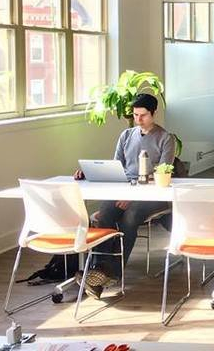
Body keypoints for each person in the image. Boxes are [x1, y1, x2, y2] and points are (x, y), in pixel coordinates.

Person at [73, 93, 176, 298]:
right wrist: (87, 174)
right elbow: (115, 168)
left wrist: (134, 196)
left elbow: (163, 175)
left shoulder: (166, 139)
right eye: (136, 114)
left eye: (143, 115)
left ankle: (110, 272)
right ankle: (98, 272)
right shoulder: (126, 135)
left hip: (153, 194)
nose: (138, 119)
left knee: (130, 216)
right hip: (124, 189)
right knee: (105, 215)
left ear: (153, 113)